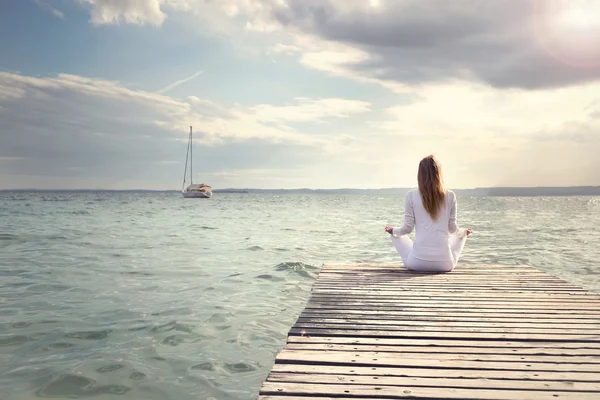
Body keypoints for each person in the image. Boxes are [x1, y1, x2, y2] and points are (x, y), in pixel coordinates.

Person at [385, 155, 472, 272]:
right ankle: (462, 237)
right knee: (460, 236)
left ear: (420, 175)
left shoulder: (410, 196)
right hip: (445, 265)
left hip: (417, 263)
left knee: (396, 235)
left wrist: (393, 231)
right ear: (438, 174)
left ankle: (411, 252)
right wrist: (464, 232)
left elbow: (407, 229)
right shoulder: (450, 195)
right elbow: (452, 229)